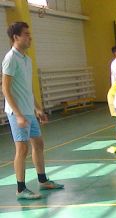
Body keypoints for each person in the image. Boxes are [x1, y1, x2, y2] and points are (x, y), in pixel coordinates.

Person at [2, 22, 63, 200]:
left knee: (38, 144)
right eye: (26, 34)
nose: (30, 37)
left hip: (29, 111)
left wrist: (37, 108)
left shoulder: (27, 59)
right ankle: (21, 189)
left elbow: (26, 88)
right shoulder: (10, 58)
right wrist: (18, 115)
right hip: (17, 113)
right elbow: (5, 89)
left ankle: (43, 180)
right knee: (22, 149)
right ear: (16, 37)